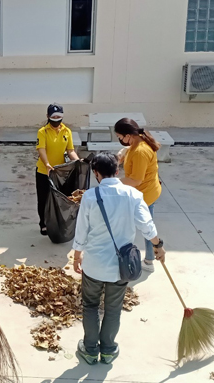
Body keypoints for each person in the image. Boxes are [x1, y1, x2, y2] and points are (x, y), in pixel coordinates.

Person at [72, 153, 166, 365]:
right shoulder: (133, 195)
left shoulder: (90, 197)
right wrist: (158, 245)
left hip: (94, 264)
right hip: (121, 266)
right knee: (113, 308)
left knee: (90, 306)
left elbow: (81, 230)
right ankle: (108, 351)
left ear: (96, 173)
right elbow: (147, 226)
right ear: (117, 171)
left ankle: (89, 350)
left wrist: (77, 254)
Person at [114, 118, 162, 273]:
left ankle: (147, 260)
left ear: (128, 135)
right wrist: (123, 154)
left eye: (120, 137)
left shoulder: (140, 152)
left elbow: (135, 180)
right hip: (147, 191)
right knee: (148, 226)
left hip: (144, 195)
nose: (120, 139)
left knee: (145, 228)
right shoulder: (137, 142)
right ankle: (149, 258)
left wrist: (113, 182)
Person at [35, 103, 80, 235]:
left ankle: (58, 222)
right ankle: (43, 223)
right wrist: (47, 164)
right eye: (53, 116)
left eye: (58, 116)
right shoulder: (43, 132)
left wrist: (78, 161)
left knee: (60, 199)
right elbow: (41, 149)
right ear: (48, 116)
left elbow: (70, 150)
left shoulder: (67, 131)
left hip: (60, 172)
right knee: (44, 199)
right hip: (44, 171)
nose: (56, 119)